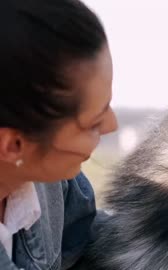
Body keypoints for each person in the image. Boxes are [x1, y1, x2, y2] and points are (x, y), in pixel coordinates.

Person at [0, 0, 117, 269]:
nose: (112, 125)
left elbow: (84, 235)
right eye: (93, 122)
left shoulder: (51, 180)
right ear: (12, 145)